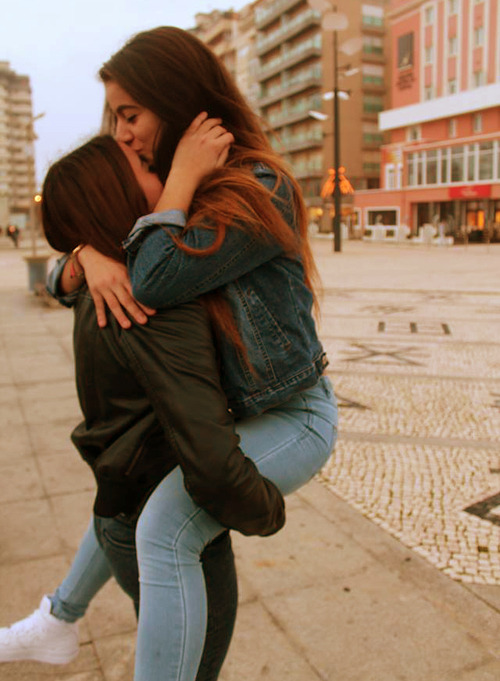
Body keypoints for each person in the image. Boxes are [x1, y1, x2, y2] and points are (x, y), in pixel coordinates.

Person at [1, 26, 338, 681]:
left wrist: (180, 177)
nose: (121, 132)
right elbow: (76, 272)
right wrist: (82, 256)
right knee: (129, 483)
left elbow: (152, 276)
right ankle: (60, 616)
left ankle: (66, 621)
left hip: (292, 415)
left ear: (177, 101)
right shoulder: (171, 195)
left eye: (131, 114)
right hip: (236, 411)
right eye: (114, 117)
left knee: (162, 527)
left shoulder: (254, 185)